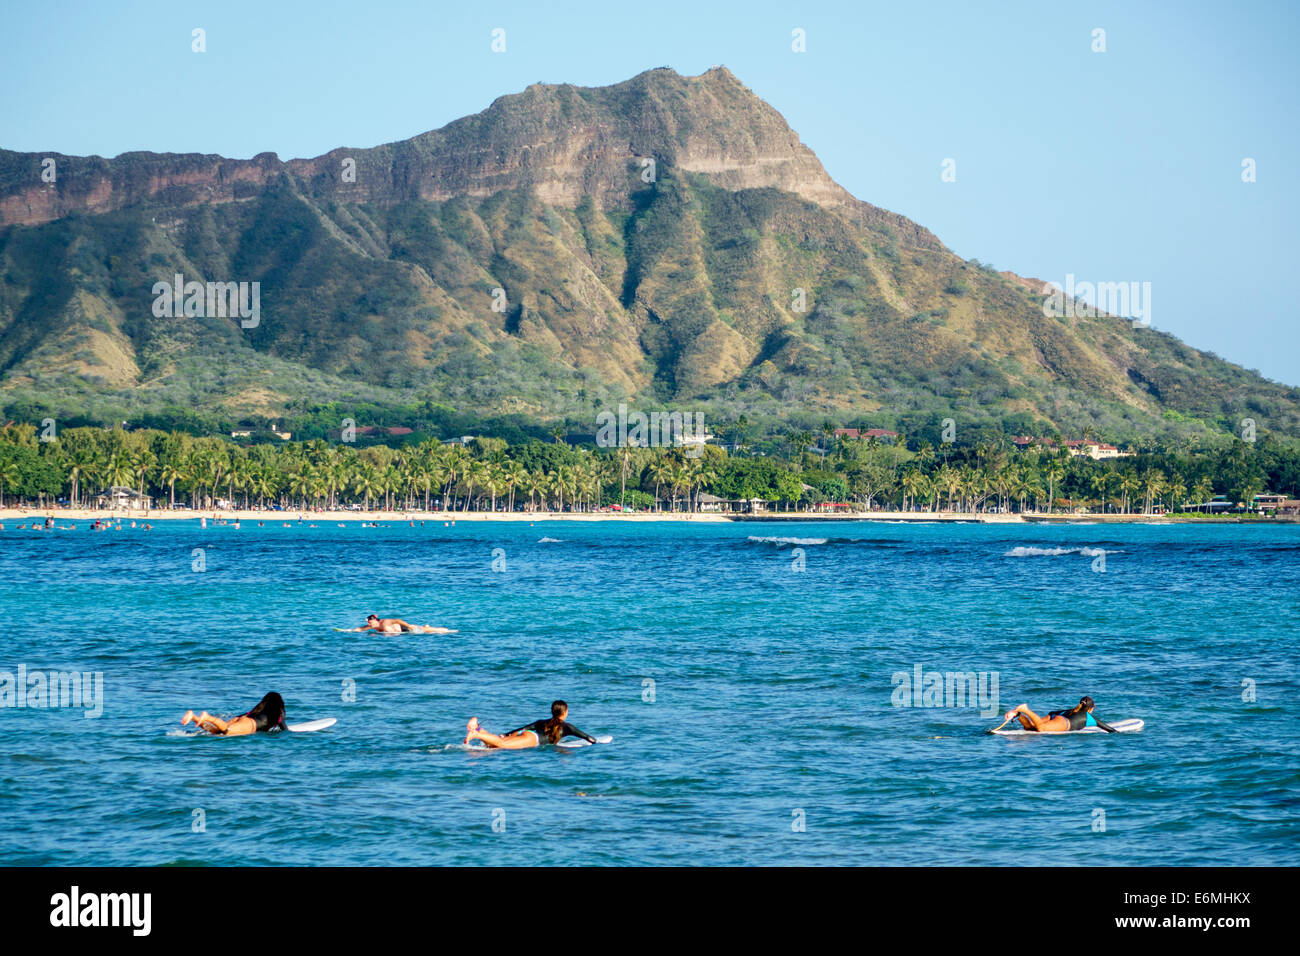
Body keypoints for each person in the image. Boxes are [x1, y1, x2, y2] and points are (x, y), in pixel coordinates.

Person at [464, 700, 596, 749]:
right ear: (565, 712)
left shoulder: (542, 721)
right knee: (501, 744)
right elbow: (588, 738)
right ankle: (475, 733)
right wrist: (596, 744)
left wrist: (506, 734)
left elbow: (524, 728)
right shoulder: (567, 727)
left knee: (494, 746)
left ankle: (478, 728)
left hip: (527, 734)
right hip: (532, 739)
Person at [182, 692, 287, 736]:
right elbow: (285, 729)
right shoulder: (277, 714)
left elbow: (244, 716)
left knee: (217, 732)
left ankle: (194, 717)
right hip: (250, 724)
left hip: (242, 718)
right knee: (226, 731)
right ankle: (207, 717)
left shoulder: (258, 709)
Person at [1003, 696, 1117, 733]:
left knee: (1031, 727)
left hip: (1056, 716)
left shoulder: (1072, 710)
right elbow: (1110, 730)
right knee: (1042, 728)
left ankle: (1018, 715)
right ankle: (1025, 710)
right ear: (1090, 709)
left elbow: (1053, 713)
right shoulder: (1089, 717)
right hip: (1064, 723)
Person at [341, 614, 454, 634]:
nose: (368, 623)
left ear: (375, 620)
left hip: (404, 628)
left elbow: (398, 620)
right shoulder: (373, 627)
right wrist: (348, 631)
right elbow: (360, 629)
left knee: (430, 631)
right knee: (424, 629)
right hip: (400, 632)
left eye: (369, 621)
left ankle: (444, 630)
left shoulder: (384, 622)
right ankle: (426, 627)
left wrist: (409, 626)